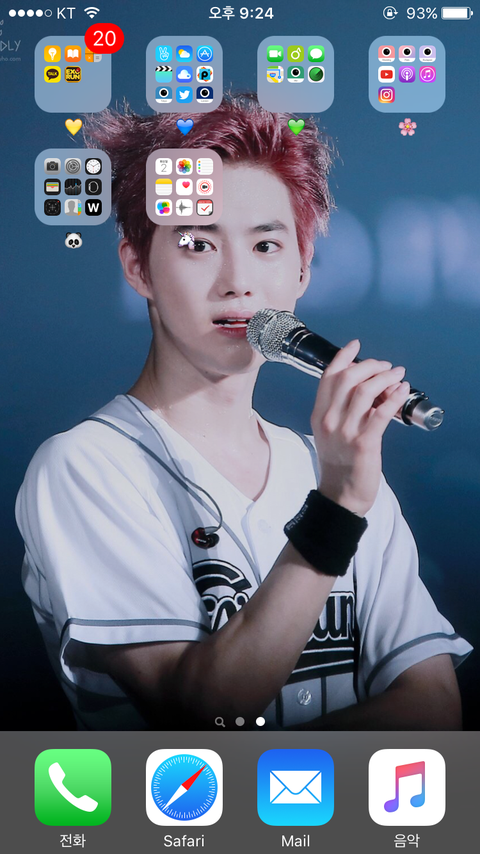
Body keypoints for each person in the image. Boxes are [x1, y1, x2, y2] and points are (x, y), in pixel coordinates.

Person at [16, 95, 471, 730]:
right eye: (198, 243)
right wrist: (336, 511)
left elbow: (434, 709)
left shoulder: (334, 469)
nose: (237, 281)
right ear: (138, 267)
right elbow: (200, 714)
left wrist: (343, 491)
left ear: (303, 269)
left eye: (265, 245)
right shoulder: (86, 466)